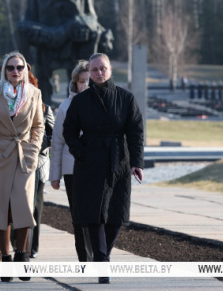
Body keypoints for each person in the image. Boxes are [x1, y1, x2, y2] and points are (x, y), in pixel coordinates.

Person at [63, 53, 145, 285]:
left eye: (103, 68)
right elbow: (69, 130)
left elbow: (136, 132)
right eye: (95, 69)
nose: (99, 72)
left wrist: (137, 162)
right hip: (89, 162)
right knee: (95, 214)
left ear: (110, 70)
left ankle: (103, 254)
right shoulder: (80, 101)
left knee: (116, 215)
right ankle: (101, 261)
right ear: (89, 72)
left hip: (119, 160)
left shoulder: (126, 98)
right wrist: (80, 152)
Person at [0, 51, 44, 282]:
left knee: (23, 206)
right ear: (4, 70)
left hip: (24, 156)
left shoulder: (34, 92)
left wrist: (33, 151)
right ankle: (3, 256)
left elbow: (39, 127)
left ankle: (21, 255)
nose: (15, 71)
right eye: (11, 67)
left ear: (26, 70)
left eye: (20, 67)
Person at [49, 59, 93, 262]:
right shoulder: (66, 107)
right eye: (82, 81)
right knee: (78, 217)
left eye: (89, 80)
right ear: (75, 82)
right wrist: (55, 175)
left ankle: (98, 255)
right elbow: (57, 142)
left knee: (96, 215)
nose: (85, 84)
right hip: (72, 169)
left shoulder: (100, 104)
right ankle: (84, 258)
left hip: (95, 168)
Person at [27, 66, 54, 259]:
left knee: (36, 206)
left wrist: (35, 145)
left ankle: (33, 246)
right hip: (15, 162)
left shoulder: (45, 108)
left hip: (38, 163)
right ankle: (16, 240)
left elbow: (51, 134)